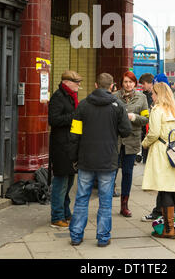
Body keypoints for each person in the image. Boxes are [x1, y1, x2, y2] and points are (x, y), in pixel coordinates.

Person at [68, 73, 131, 247]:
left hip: (86, 159)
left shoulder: (82, 106)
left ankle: (76, 236)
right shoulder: (118, 105)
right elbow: (126, 130)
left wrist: (74, 158)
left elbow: (74, 134)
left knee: (81, 198)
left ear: (96, 84)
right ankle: (103, 237)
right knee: (105, 200)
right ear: (112, 86)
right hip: (108, 159)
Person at [142, 82, 175, 238]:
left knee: (164, 188)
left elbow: (154, 133)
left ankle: (169, 229)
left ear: (159, 94)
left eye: (154, 94)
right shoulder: (173, 110)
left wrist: (144, 143)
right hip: (174, 151)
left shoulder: (157, 110)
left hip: (161, 151)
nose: (152, 96)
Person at [48, 70, 82, 228]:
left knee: (69, 182)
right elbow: (53, 120)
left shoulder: (71, 96)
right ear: (67, 82)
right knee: (60, 183)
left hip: (70, 145)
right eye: (76, 82)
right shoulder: (58, 97)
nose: (79, 85)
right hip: (61, 146)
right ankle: (57, 216)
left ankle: (66, 212)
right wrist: (73, 117)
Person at [115, 71, 149, 217]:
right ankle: (105, 203)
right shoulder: (114, 97)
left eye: (131, 82)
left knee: (127, 172)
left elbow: (146, 119)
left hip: (132, 139)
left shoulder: (142, 98)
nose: (128, 85)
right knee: (112, 171)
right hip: (116, 140)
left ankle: (124, 205)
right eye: (125, 82)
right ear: (121, 83)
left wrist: (134, 117)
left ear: (135, 83)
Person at [139, 73, 154, 163]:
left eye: (143, 84)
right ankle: (145, 158)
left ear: (150, 83)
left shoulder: (156, 94)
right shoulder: (142, 95)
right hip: (144, 125)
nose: (142, 86)